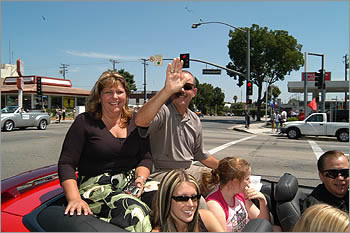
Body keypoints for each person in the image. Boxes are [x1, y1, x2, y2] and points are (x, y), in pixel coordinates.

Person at [58, 71, 153, 231]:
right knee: (135, 212)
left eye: (119, 92)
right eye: (108, 92)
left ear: (126, 95)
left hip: (131, 182)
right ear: (99, 96)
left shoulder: (135, 121)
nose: (114, 97)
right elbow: (66, 163)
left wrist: (140, 181)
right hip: (95, 186)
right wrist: (74, 198)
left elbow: (145, 158)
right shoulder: (85, 122)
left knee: (170, 197)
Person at [135, 57, 219, 182]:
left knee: (227, 182)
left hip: (188, 169)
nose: (181, 90)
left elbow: (201, 154)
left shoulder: (194, 119)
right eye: (177, 86)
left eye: (187, 87)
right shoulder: (163, 110)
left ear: (194, 92)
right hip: (162, 173)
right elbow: (140, 121)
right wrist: (166, 91)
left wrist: (228, 168)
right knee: (196, 200)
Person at [201, 156, 271, 232]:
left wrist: (262, 201)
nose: (250, 182)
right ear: (235, 182)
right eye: (247, 179)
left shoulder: (240, 194)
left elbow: (262, 222)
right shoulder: (215, 206)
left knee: (277, 229)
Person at [151, 169, 224, 232]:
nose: (191, 204)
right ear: (167, 199)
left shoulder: (206, 218)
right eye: (182, 198)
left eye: (194, 197)